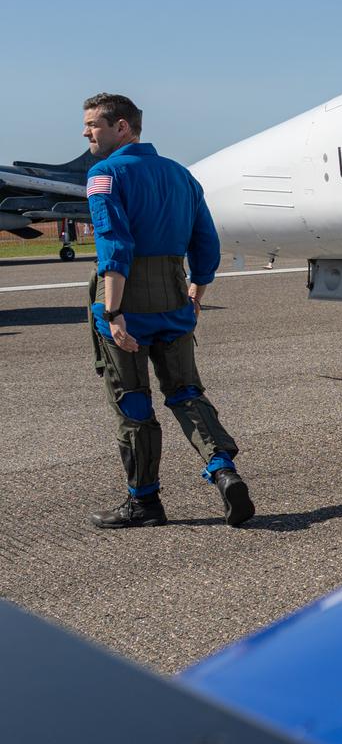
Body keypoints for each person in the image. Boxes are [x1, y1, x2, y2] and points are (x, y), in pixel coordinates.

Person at [81, 93, 253, 528]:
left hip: (125, 298)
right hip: (175, 296)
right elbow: (206, 240)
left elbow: (114, 244)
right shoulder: (181, 175)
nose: (86, 133)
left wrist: (113, 312)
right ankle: (223, 470)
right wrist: (196, 291)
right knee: (186, 391)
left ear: (122, 127)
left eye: (94, 125)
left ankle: (144, 502)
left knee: (133, 400)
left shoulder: (103, 175)